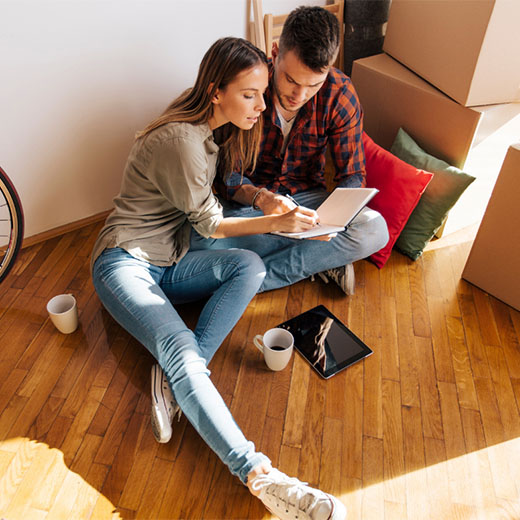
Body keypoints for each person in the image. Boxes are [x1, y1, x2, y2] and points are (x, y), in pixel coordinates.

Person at [91, 37, 346, 520]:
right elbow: (210, 223)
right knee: (182, 351)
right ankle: (262, 477)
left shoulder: (213, 133)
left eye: (262, 92)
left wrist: (266, 200)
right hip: (123, 262)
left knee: (249, 266)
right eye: (250, 94)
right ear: (215, 91)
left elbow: (223, 196)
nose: (263, 104)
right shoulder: (180, 141)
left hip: (171, 259)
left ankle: (174, 383)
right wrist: (275, 222)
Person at [191, 6, 389, 295]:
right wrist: (265, 201)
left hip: (309, 203)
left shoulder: (340, 93)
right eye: (291, 80)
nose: (300, 95)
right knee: (197, 240)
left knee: (374, 229)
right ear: (274, 53)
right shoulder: (248, 87)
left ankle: (247, 282)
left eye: (313, 85)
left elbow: (353, 174)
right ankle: (323, 260)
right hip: (251, 207)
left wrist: (337, 217)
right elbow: (228, 178)